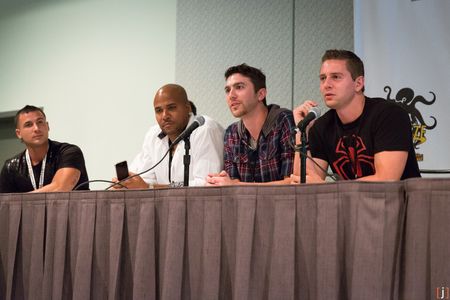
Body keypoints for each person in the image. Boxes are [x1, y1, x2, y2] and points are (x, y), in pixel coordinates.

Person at [292, 49, 421, 183]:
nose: (326, 85)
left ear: (358, 84)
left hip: (398, 202)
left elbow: (387, 180)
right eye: (323, 78)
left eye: (336, 77)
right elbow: (302, 182)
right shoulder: (321, 126)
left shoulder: (389, 116)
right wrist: (301, 132)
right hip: (348, 203)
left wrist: (329, 188)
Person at [117, 84, 224, 188]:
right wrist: (129, 184)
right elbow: (146, 179)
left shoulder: (205, 129)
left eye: (171, 108)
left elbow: (207, 185)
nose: (165, 116)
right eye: (158, 110)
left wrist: (150, 187)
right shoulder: (153, 135)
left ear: (188, 108)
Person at [206, 63, 296, 185]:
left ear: (261, 94)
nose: (231, 96)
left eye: (239, 87)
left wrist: (236, 186)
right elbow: (233, 185)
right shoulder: (231, 133)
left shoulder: (284, 120)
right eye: (227, 90)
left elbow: (292, 182)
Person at [0, 105, 89, 193]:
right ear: (19, 133)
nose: (36, 128)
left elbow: (60, 188)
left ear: (47, 126)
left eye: (40, 122)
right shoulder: (11, 167)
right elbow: (4, 204)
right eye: (28, 125)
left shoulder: (68, 152)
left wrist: (20, 201)